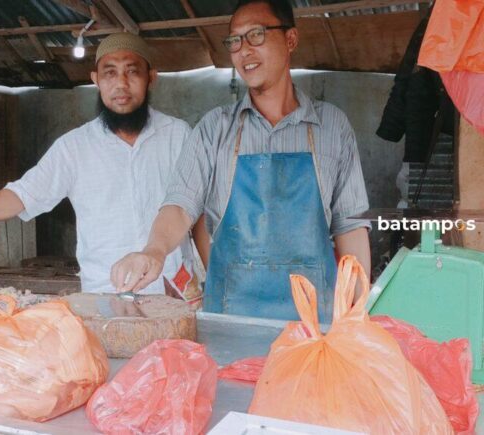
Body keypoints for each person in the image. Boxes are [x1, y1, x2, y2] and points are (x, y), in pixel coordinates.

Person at [110, 0, 371, 321]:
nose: (244, 50)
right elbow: (180, 206)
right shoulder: (214, 128)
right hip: (232, 313)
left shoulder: (332, 125)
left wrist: (358, 312)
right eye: (235, 40)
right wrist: (154, 250)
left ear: (291, 39)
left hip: (315, 318)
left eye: (256, 35)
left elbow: (351, 227)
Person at [0, 33, 204, 295]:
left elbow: (197, 210)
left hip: (174, 288)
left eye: (132, 72)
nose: (121, 84)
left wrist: (212, 275)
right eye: (110, 73)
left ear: (151, 79)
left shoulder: (178, 135)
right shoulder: (74, 147)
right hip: (106, 292)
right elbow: (23, 194)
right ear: (96, 80)